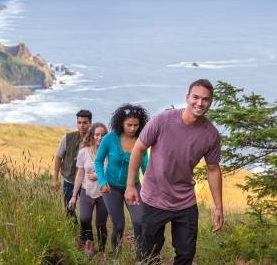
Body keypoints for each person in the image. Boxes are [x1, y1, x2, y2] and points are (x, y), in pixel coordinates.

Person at [125, 79, 223, 265]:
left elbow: (213, 169)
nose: (200, 103)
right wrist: (130, 185)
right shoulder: (163, 120)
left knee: (186, 254)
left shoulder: (210, 135)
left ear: (210, 102)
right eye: (196, 97)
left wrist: (218, 207)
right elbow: (138, 148)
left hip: (185, 202)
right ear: (187, 98)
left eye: (205, 99)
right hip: (154, 199)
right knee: (148, 254)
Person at [95, 104, 149, 262]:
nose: (133, 128)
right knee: (118, 226)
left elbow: (146, 165)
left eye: (136, 125)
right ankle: (116, 258)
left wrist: (152, 183)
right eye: (129, 125)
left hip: (134, 187)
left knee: (139, 223)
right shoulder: (109, 139)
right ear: (121, 123)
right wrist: (102, 180)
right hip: (111, 188)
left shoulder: (141, 141)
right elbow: (98, 161)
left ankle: (139, 259)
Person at [68, 123, 108, 258]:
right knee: (85, 219)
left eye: (103, 135)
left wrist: (99, 174)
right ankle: (88, 243)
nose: (100, 138)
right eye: (97, 134)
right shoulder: (84, 152)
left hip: (104, 193)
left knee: (101, 224)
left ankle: (102, 251)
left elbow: (113, 172)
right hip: (87, 191)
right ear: (92, 135)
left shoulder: (109, 152)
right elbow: (79, 174)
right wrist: (74, 196)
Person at [53, 109, 92, 222]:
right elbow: (58, 158)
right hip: (69, 180)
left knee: (87, 210)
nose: (82, 125)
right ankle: (72, 229)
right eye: (79, 122)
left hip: (86, 182)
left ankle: (85, 233)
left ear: (90, 123)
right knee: (69, 209)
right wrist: (55, 179)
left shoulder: (95, 140)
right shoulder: (67, 138)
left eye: (85, 122)